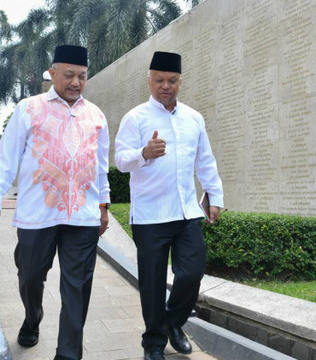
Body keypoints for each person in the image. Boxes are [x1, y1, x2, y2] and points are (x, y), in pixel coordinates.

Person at [0, 45, 110, 360]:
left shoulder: (96, 115)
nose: (76, 82)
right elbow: (8, 159)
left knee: (77, 287)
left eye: (82, 76)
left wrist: (104, 205)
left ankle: (68, 354)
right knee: (30, 275)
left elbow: (100, 165)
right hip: (37, 214)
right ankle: (32, 316)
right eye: (69, 75)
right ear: (52, 74)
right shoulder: (29, 108)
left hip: (82, 216)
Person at [114, 51, 223, 360]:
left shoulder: (193, 118)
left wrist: (215, 197)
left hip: (187, 212)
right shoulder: (136, 118)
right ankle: (153, 344)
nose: (166, 86)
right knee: (151, 283)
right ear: (149, 81)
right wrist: (143, 153)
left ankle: (173, 323)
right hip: (150, 216)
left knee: (192, 272)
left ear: (180, 82)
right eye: (159, 80)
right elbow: (121, 160)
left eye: (172, 81)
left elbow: (205, 162)